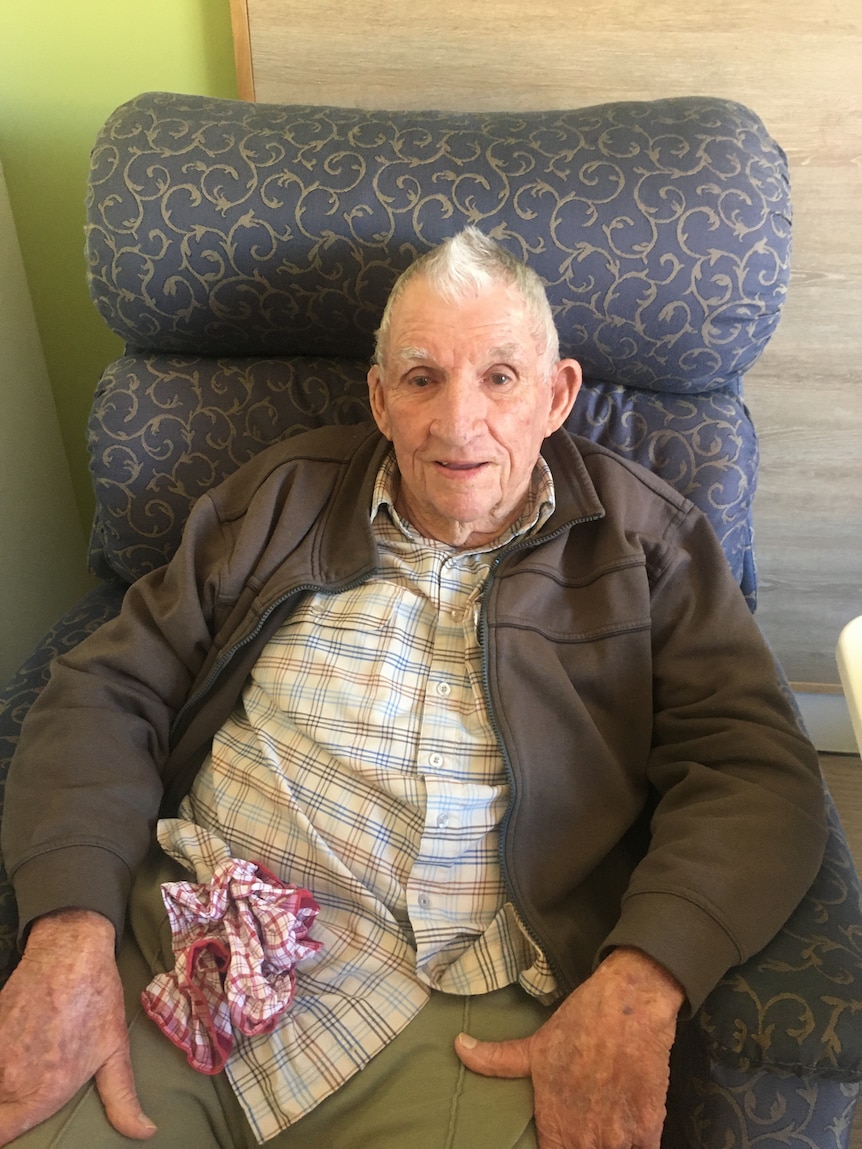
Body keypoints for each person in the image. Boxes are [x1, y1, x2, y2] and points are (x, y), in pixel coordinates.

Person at [0, 227, 826, 1149]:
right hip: (187, 948)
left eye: (501, 377)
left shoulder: (648, 545)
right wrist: (68, 934)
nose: (458, 423)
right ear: (380, 396)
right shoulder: (282, 494)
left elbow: (754, 767)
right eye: (423, 377)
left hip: (456, 1016)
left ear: (557, 396)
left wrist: (643, 979)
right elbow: (109, 686)